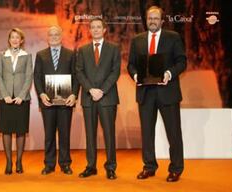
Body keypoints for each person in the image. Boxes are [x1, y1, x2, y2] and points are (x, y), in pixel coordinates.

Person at [127, 6, 186, 182]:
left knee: (173, 133)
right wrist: (136, 75)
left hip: (168, 92)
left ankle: (176, 168)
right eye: (149, 18)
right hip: (145, 93)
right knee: (147, 133)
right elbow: (131, 65)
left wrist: (170, 73)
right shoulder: (137, 40)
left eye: (155, 18)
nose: (152, 21)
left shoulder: (173, 38)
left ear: (161, 21)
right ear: (146, 20)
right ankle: (149, 166)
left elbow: (182, 61)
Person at [75, 18, 121, 180]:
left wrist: (101, 90)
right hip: (88, 98)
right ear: (90, 30)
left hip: (107, 97)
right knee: (90, 134)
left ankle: (110, 167)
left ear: (104, 30)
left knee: (109, 133)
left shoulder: (114, 48)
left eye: (98, 27)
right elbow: (79, 72)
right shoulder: (83, 50)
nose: (95, 30)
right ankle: (91, 166)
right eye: (92, 27)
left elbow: (115, 72)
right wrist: (90, 89)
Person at [34, 26, 79, 175]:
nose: (54, 37)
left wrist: (73, 94)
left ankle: (65, 164)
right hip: (47, 101)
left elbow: (76, 76)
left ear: (61, 36)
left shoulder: (71, 54)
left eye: (57, 34)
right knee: (49, 134)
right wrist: (41, 94)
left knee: (65, 134)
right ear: (47, 37)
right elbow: (37, 77)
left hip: (66, 102)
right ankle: (49, 164)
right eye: (51, 35)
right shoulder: (41, 55)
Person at [0, 28, 33, 175]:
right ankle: (9, 162)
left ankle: (19, 161)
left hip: (21, 100)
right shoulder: (2, 55)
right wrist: (5, 95)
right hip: (6, 99)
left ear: (21, 40)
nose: (15, 40)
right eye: (12, 37)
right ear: (9, 40)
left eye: (18, 37)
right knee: (6, 130)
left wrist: (21, 96)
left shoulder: (27, 56)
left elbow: (29, 76)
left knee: (20, 131)